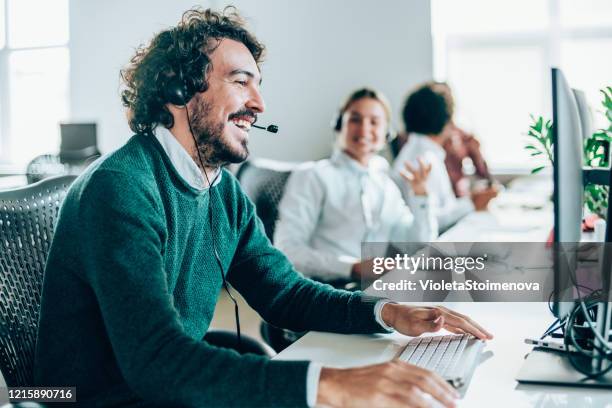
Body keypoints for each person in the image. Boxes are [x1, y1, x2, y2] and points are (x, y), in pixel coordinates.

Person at [34, 7, 492, 407]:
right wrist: (328, 385)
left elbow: (283, 292)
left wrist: (384, 311)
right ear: (178, 91)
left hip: (166, 389)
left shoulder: (222, 191)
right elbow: (156, 360)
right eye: (240, 82)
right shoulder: (121, 188)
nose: (259, 103)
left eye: (258, 85)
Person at [274, 88, 438, 283]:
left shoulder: (385, 185)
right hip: (323, 291)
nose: (364, 129)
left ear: (387, 133)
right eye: (355, 119)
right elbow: (288, 251)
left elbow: (417, 246)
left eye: (374, 122)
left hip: (373, 292)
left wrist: (421, 197)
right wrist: (351, 268)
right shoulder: (313, 176)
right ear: (338, 125)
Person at [392, 83, 498, 233]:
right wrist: (472, 203)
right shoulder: (424, 160)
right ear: (448, 121)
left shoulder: (420, 151)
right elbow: (431, 221)